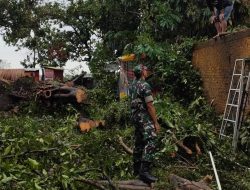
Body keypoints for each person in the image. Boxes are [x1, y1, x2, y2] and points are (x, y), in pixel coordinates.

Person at [130, 64, 160, 184]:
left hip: (134, 116)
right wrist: (156, 122)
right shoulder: (145, 85)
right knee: (152, 139)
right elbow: (149, 105)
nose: (147, 71)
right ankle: (144, 172)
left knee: (139, 141)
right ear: (142, 72)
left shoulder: (132, 85)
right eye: (146, 69)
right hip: (143, 116)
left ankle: (136, 170)